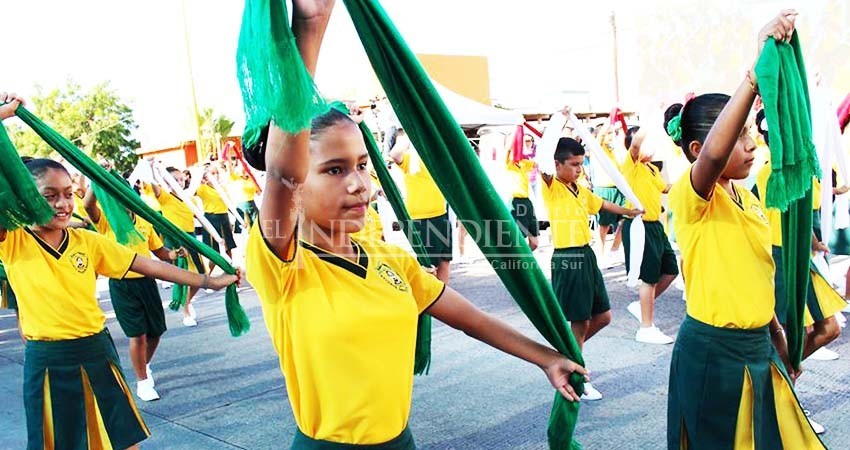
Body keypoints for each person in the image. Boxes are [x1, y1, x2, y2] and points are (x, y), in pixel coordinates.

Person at [242, 3, 586, 447]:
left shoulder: (389, 260)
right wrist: (309, 27)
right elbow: (282, 173)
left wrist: (545, 357)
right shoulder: (283, 267)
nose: (359, 184)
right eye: (334, 170)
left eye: (363, 165)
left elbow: (471, 319)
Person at [1, 90, 239, 450]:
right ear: (26, 197)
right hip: (48, 361)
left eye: (68, 193)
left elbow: (151, 266)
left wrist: (209, 281)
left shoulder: (87, 242)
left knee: (124, 442)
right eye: (50, 196)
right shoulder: (13, 240)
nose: (64, 203)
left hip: (97, 351)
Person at [666, 10, 826, 448]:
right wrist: (753, 78)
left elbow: (754, 273)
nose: (752, 143)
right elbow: (715, 157)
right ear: (698, 149)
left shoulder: (746, 197)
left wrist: (777, 334)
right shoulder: (692, 196)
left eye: (752, 131)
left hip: (758, 348)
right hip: (713, 357)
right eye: (741, 135)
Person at [540, 132, 642, 401]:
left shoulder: (578, 189)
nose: (579, 169)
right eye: (573, 164)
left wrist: (630, 211)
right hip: (568, 258)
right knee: (580, 322)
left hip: (586, 256)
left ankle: (567, 354)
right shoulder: (551, 186)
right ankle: (577, 376)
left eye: (581, 164)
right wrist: (557, 121)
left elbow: (601, 204)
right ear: (557, 164)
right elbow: (543, 153)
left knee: (603, 317)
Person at [620, 126, 679, 344]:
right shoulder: (631, 165)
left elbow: (665, 188)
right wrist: (650, 121)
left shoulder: (651, 169)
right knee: (649, 278)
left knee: (670, 270)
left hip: (655, 226)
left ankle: (642, 304)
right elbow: (636, 145)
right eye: (647, 144)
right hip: (639, 226)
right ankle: (646, 327)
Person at [390, 129, 452, 283]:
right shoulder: (411, 159)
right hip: (422, 218)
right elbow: (395, 154)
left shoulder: (437, 159)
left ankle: (445, 297)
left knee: (445, 259)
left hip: (441, 213)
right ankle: (433, 302)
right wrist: (410, 132)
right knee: (429, 266)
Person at [152, 166, 208, 326]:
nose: (179, 182)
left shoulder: (190, 197)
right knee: (182, 276)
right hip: (175, 239)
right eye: (175, 180)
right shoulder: (165, 196)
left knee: (202, 274)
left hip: (190, 238)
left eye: (181, 179)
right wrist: (153, 168)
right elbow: (155, 185)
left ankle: (187, 301)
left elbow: (199, 215)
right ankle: (186, 312)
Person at [589, 122, 626, 262]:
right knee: (604, 225)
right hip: (604, 190)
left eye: (613, 134)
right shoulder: (598, 148)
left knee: (625, 219)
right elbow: (601, 135)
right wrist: (610, 120)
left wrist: (618, 130)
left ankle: (614, 249)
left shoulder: (614, 151)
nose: (611, 136)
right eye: (609, 134)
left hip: (618, 189)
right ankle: (601, 253)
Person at [195, 166, 236, 271]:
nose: (216, 175)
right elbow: (192, 191)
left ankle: (230, 271)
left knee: (228, 247)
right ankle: (210, 274)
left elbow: (228, 204)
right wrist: (200, 176)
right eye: (212, 173)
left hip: (224, 218)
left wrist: (237, 217)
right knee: (214, 250)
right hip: (211, 219)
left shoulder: (222, 189)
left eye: (217, 173)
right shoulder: (203, 188)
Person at [506, 133, 540, 250]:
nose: (526, 144)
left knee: (534, 243)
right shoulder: (510, 163)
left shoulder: (525, 162)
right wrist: (517, 128)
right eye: (524, 141)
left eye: (529, 141)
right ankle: (518, 264)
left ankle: (523, 260)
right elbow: (509, 148)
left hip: (527, 201)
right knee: (518, 239)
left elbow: (539, 162)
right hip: (516, 201)